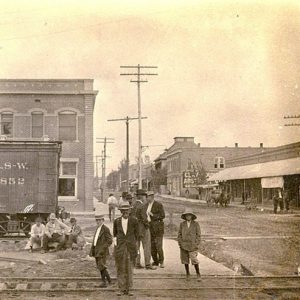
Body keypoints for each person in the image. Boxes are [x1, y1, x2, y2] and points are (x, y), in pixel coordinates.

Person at [113, 201, 139, 296]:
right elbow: (115, 235)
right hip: (121, 248)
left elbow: (137, 236)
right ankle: (121, 288)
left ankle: (129, 289)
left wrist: (137, 248)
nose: (125, 213)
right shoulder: (117, 221)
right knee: (121, 268)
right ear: (121, 211)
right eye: (123, 211)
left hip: (130, 248)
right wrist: (116, 247)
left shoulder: (134, 221)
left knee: (129, 268)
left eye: (127, 211)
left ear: (129, 211)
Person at [133, 189, 156, 270]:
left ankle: (137, 263)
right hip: (143, 228)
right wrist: (147, 224)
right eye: (145, 196)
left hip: (135, 228)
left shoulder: (134, 204)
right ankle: (147, 264)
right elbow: (144, 217)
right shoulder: (142, 206)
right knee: (146, 246)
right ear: (142, 196)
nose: (145, 198)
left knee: (137, 246)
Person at [177, 208, 201, 281]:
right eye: (187, 215)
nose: (188, 217)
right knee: (185, 260)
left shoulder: (196, 224)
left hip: (193, 245)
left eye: (189, 215)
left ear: (192, 216)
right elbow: (179, 234)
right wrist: (180, 243)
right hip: (184, 245)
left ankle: (198, 274)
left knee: (194, 259)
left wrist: (196, 243)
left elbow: (198, 235)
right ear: (185, 216)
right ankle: (187, 274)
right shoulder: (182, 224)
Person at [89, 214, 113, 288]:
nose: (98, 221)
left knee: (101, 266)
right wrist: (92, 250)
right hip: (96, 250)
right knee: (100, 266)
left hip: (102, 251)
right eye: (97, 220)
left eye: (100, 220)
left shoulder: (105, 229)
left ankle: (104, 282)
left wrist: (103, 248)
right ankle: (109, 281)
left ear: (103, 220)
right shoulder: (97, 228)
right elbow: (95, 240)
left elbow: (110, 240)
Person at [146, 191, 165, 268]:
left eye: (148, 197)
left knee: (159, 245)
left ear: (152, 197)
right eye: (147, 197)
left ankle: (161, 261)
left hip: (158, 228)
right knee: (152, 246)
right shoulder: (146, 205)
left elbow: (162, 215)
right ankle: (155, 261)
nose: (147, 198)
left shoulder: (158, 205)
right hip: (149, 227)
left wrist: (153, 215)